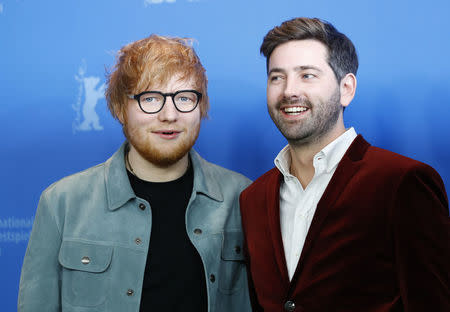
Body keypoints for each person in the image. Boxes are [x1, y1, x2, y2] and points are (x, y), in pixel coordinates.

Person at [18, 35, 252, 312]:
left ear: (201, 106)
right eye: (150, 98)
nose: (169, 114)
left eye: (184, 97)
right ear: (119, 108)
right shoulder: (62, 203)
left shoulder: (243, 198)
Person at [240, 17, 449, 312]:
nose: (289, 91)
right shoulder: (253, 199)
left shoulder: (401, 182)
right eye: (277, 77)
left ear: (346, 88)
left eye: (307, 75)